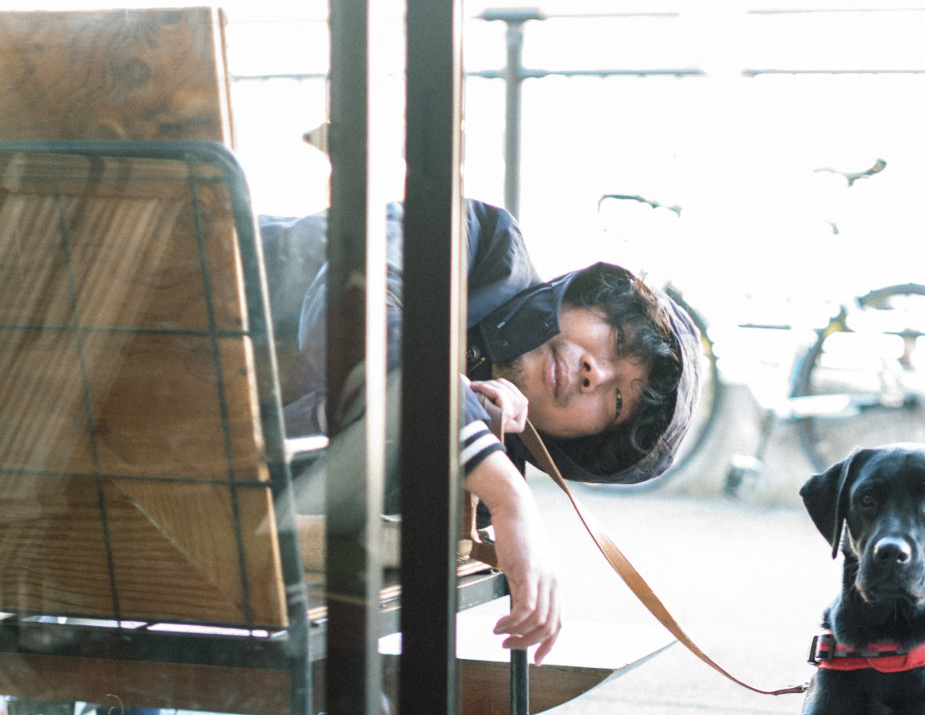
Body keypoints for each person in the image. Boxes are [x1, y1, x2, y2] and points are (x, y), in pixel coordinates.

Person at [289, 198, 703, 665]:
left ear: (585, 446)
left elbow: (305, 489)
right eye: (617, 340)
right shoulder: (485, 242)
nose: (596, 373)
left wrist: (476, 435)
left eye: (618, 402)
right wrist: (504, 486)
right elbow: (346, 313)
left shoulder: (478, 495)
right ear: (588, 298)